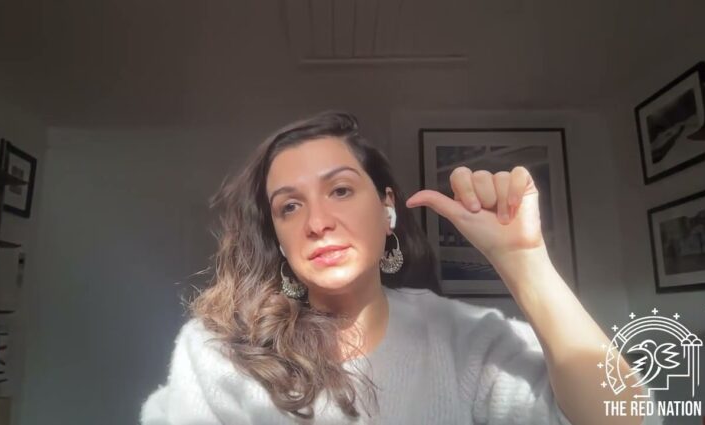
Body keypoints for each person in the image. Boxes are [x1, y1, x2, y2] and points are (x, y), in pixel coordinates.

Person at [141, 111, 655, 424]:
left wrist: (524, 262)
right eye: (289, 206)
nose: (317, 222)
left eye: (341, 190)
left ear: (386, 206)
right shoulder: (217, 354)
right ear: (277, 236)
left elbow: (627, 419)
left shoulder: (466, 342)